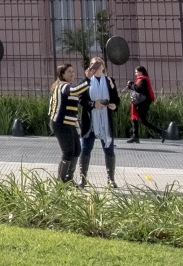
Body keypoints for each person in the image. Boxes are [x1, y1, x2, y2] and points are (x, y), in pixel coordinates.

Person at [79, 56, 119, 184]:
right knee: (86, 149)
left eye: (98, 64)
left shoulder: (109, 81)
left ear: (103, 66)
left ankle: (111, 179)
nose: (95, 67)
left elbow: (116, 99)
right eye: (93, 64)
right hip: (90, 121)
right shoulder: (86, 82)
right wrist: (92, 104)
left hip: (105, 120)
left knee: (109, 149)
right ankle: (83, 179)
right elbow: (80, 99)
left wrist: (114, 105)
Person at [49, 63, 87, 184]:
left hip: (68, 123)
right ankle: (61, 181)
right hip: (60, 123)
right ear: (62, 74)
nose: (72, 74)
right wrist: (88, 80)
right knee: (68, 151)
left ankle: (69, 178)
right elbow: (75, 91)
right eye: (69, 72)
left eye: (73, 71)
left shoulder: (66, 86)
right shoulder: (63, 86)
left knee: (77, 149)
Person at [125, 65, 163, 142]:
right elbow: (136, 88)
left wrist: (131, 84)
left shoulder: (144, 80)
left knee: (143, 121)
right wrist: (131, 85)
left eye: (136, 72)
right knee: (135, 119)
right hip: (139, 102)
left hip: (143, 103)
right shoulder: (140, 80)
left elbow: (138, 89)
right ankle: (135, 136)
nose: (135, 74)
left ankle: (161, 132)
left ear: (141, 72)